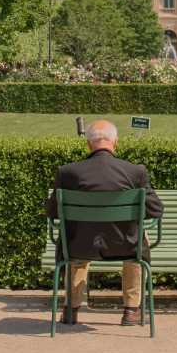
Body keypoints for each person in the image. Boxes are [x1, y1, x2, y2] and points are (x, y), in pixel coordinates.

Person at [47, 121, 162, 326]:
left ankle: (71, 309)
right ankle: (131, 310)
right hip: (125, 245)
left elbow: (52, 211)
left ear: (89, 145)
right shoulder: (135, 172)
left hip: (79, 246)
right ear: (115, 142)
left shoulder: (68, 172)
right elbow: (156, 210)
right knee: (138, 241)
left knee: (75, 241)